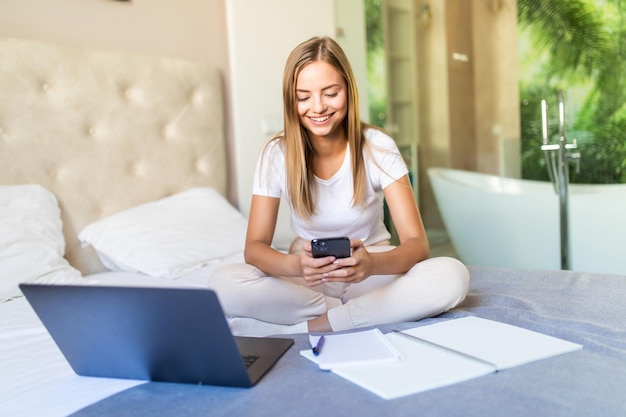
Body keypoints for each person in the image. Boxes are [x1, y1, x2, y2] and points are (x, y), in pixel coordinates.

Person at [207, 36, 469, 337]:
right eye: (303, 97)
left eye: (330, 93)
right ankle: (361, 313)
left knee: (453, 275)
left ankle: (319, 324)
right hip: (311, 280)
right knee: (221, 285)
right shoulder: (276, 153)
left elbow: (417, 244)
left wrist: (369, 265)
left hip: (371, 273)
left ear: (348, 90)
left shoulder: (377, 146)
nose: (317, 108)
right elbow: (254, 248)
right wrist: (297, 266)